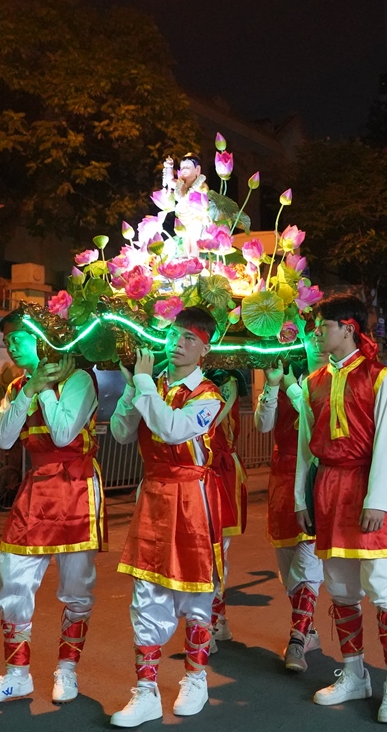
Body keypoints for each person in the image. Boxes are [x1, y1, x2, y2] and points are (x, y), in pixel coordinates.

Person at [0, 309, 105, 705]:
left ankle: (67, 670)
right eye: (8, 339)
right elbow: (2, 436)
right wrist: (30, 389)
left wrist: (44, 387)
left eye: (19, 338)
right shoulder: (16, 388)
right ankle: (17, 674)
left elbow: (65, 434)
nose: (12, 345)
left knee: (77, 589)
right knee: (12, 576)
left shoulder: (78, 379)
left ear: (43, 339)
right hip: (36, 489)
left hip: (77, 486)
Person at [294, 294, 387, 724]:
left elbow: (386, 442)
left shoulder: (379, 378)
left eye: (324, 326)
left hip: (364, 487)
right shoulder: (314, 381)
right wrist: (300, 500)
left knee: (383, 588)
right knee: (340, 589)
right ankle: (356, 673)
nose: (318, 332)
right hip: (327, 488)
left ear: (347, 328)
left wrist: (378, 501)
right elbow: (307, 449)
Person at [108, 307, 225, 726]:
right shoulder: (151, 383)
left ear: (205, 348)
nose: (177, 344)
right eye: (174, 336)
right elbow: (122, 433)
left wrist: (142, 384)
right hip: (153, 495)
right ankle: (146, 690)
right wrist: (131, 389)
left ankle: (196, 678)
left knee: (195, 592)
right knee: (146, 594)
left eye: (188, 339)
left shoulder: (209, 395)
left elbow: (174, 429)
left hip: (192, 498)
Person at [254, 336, 329, 672]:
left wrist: (290, 386)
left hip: (314, 479)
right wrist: (273, 386)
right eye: (309, 338)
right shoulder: (284, 379)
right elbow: (263, 425)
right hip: (281, 479)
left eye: (319, 336)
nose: (316, 343)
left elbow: (318, 425)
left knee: (308, 565)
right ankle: (308, 629)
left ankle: (297, 640)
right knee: (288, 572)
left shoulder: (330, 382)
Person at [205, 368, 248, 650]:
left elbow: (206, 424)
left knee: (215, 552)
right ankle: (217, 621)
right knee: (206, 554)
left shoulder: (227, 382)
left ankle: (210, 623)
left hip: (222, 475)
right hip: (200, 472)